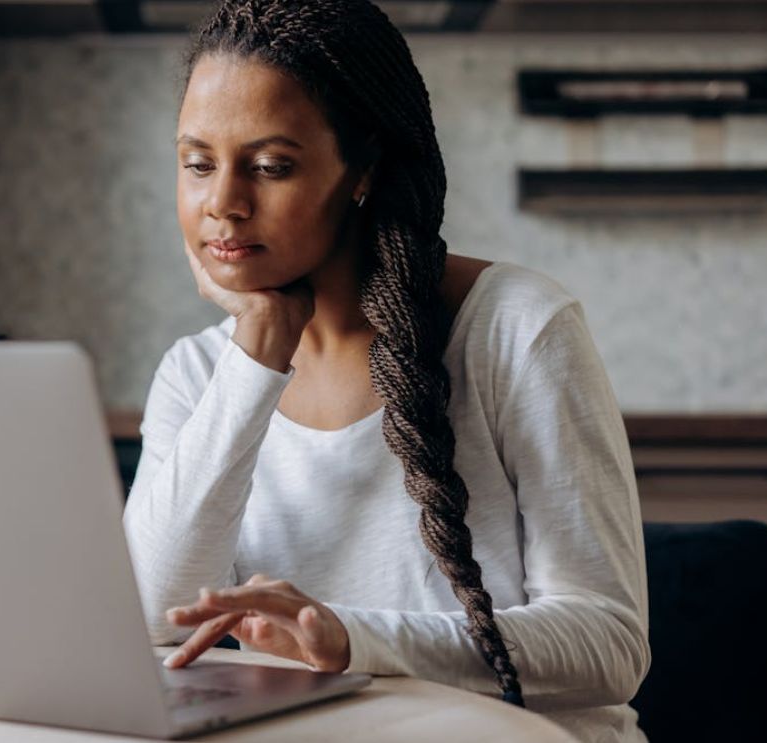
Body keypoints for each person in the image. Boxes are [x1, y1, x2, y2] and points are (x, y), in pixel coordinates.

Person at [120, 1, 651, 740]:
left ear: (362, 170)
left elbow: (608, 645)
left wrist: (346, 637)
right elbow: (150, 617)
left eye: (270, 166)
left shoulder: (516, 328)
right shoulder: (198, 372)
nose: (222, 205)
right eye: (197, 163)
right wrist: (256, 353)